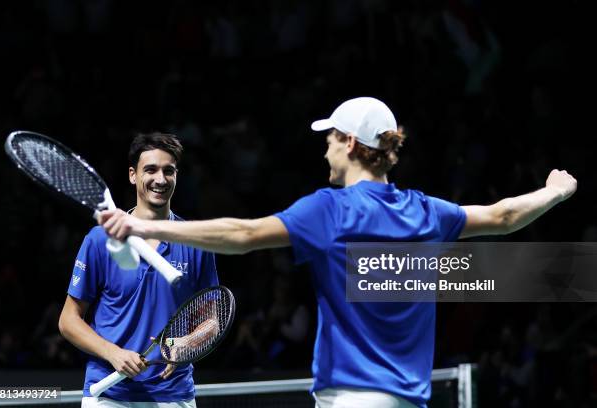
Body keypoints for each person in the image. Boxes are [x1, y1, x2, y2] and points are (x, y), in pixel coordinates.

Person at [99, 97, 577, 408]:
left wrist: (139, 225)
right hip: (411, 400)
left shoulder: (331, 210)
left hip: (349, 398)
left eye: (329, 141)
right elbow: (505, 216)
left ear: (350, 144)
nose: (325, 151)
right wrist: (554, 192)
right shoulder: (427, 212)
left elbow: (243, 234)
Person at [59, 132, 218, 408]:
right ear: (133, 175)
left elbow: (213, 321)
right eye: (151, 170)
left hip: (174, 394)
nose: (160, 179)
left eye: (169, 171)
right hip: (109, 395)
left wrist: (187, 344)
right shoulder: (100, 240)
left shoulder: (196, 240)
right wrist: (113, 353)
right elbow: (68, 321)